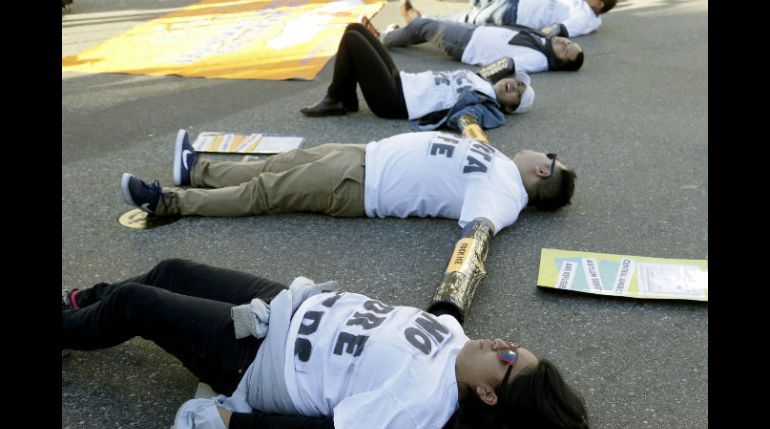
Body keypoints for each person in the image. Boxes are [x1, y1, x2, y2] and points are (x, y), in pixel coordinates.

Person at [62, 258, 591, 429]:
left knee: (139, 307)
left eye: (507, 357)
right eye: (513, 343)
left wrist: (232, 424)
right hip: (285, 303)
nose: (502, 343)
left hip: (257, 357)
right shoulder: (456, 338)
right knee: (171, 271)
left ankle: (83, 318)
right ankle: (85, 304)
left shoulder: (418, 408)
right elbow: (447, 305)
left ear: (490, 395)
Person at [120, 129, 577, 236]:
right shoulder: (500, 164)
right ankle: (196, 170)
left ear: (543, 171)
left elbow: (478, 233)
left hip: (362, 185)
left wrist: (451, 301)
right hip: (367, 155)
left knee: (267, 193)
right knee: (280, 164)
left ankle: (171, 202)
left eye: (551, 158)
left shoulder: (505, 198)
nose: (544, 152)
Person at [301, 23, 535, 134]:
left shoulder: (488, 107)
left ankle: (336, 98)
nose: (515, 85)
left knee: (352, 40)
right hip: (402, 81)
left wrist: (471, 134)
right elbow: (505, 61)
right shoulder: (481, 79)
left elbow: (467, 119)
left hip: (395, 101)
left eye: (518, 92)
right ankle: (346, 98)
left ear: (510, 108)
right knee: (355, 28)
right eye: (519, 82)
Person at [382, 18, 584, 73]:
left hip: (468, 44)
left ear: (559, 62)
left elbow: (507, 64)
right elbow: (557, 29)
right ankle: (397, 35)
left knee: (422, 26)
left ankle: (385, 39)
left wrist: (477, 79)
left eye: (565, 49)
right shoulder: (546, 44)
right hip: (476, 31)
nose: (565, 42)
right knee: (426, 28)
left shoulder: (539, 59)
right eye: (569, 42)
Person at [400, 0, 618, 38]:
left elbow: (559, 29)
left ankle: (420, 21)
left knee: (468, 18)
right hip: (517, 3)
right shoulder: (581, 5)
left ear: (599, 4)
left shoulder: (584, 17)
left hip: (516, 14)